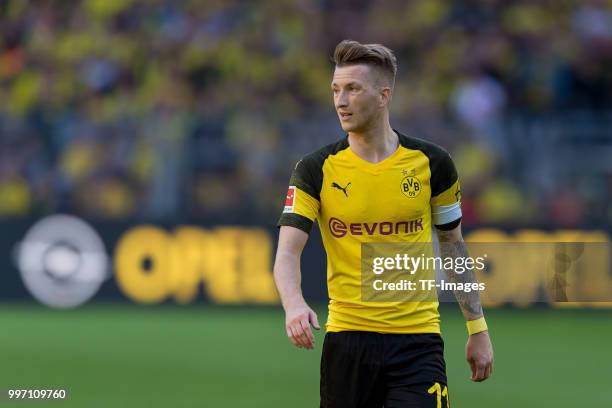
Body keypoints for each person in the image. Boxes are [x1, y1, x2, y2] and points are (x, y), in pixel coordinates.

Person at [274, 39, 493, 408]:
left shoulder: (432, 163)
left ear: (383, 95)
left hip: (417, 342)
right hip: (347, 341)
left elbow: (454, 247)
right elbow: (287, 252)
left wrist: (478, 328)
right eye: (335, 90)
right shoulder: (315, 169)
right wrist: (294, 304)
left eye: (353, 89)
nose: (340, 101)